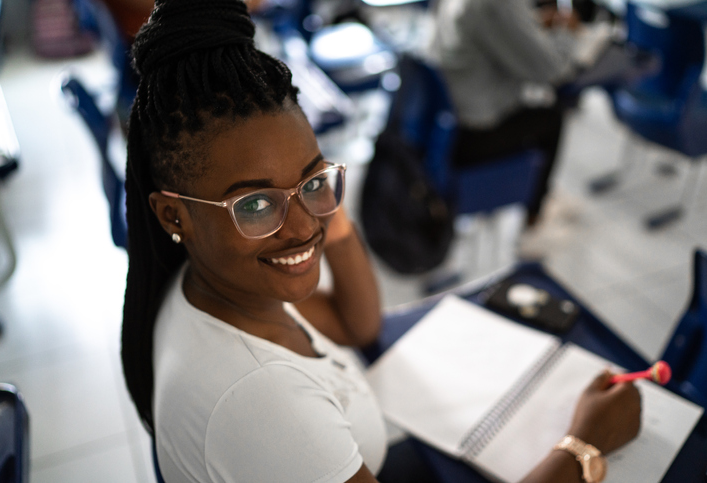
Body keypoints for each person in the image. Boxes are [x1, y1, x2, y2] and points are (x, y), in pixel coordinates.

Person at [120, 0, 641, 481]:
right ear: (174, 214)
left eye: (313, 180)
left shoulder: (220, 284)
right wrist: (585, 446)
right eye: (254, 204)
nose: (302, 228)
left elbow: (357, 323)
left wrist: (328, 217)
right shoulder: (259, 401)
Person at [431, 0, 586, 225]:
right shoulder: (498, 4)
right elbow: (552, 70)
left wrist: (531, 24)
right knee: (552, 117)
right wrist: (567, 33)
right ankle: (534, 215)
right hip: (473, 135)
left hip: (443, 120)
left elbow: (494, 30)